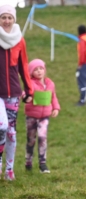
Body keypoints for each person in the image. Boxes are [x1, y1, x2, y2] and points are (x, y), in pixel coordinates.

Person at [0, 4, 33, 181]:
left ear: (14, 19)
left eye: (9, 17)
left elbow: (24, 65)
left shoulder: (19, 40)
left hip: (13, 92)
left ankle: (9, 170)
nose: (6, 21)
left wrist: (29, 89)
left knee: (11, 132)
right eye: (3, 17)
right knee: (1, 126)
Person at [24, 59, 60, 174]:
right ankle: (28, 161)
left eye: (41, 68)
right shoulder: (30, 83)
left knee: (42, 137)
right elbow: (25, 93)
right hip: (31, 116)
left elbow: (53, 96)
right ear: (31, 72)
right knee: (31, 139)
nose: (39, 71)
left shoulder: (50, 83)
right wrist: (26, 97)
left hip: (45, 116)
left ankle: (42, 163)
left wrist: (55, 108)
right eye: (35, 69)